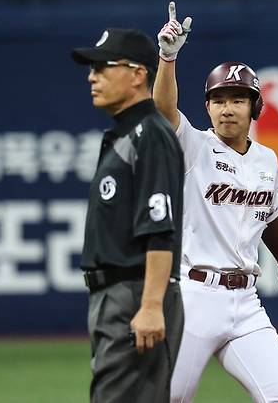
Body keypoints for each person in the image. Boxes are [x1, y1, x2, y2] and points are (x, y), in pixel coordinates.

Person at [153, 2, 278, 402]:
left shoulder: (266, 160)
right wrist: (168, 57)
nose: (227, 107)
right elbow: (163, 109)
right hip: (193, 298)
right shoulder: (194, 146)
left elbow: (269, 215)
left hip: (246, 303)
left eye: (238, 99)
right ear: (207, 107)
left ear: (255, 108)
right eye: (219, 99)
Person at [71, 27, 185, 403]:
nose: (92, 76)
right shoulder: (126, 134)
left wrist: (151, 305)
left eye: (103, 67)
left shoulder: (149, 134)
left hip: (136, 294)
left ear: (138, 74)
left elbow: (159, 228)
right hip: (115, 296)